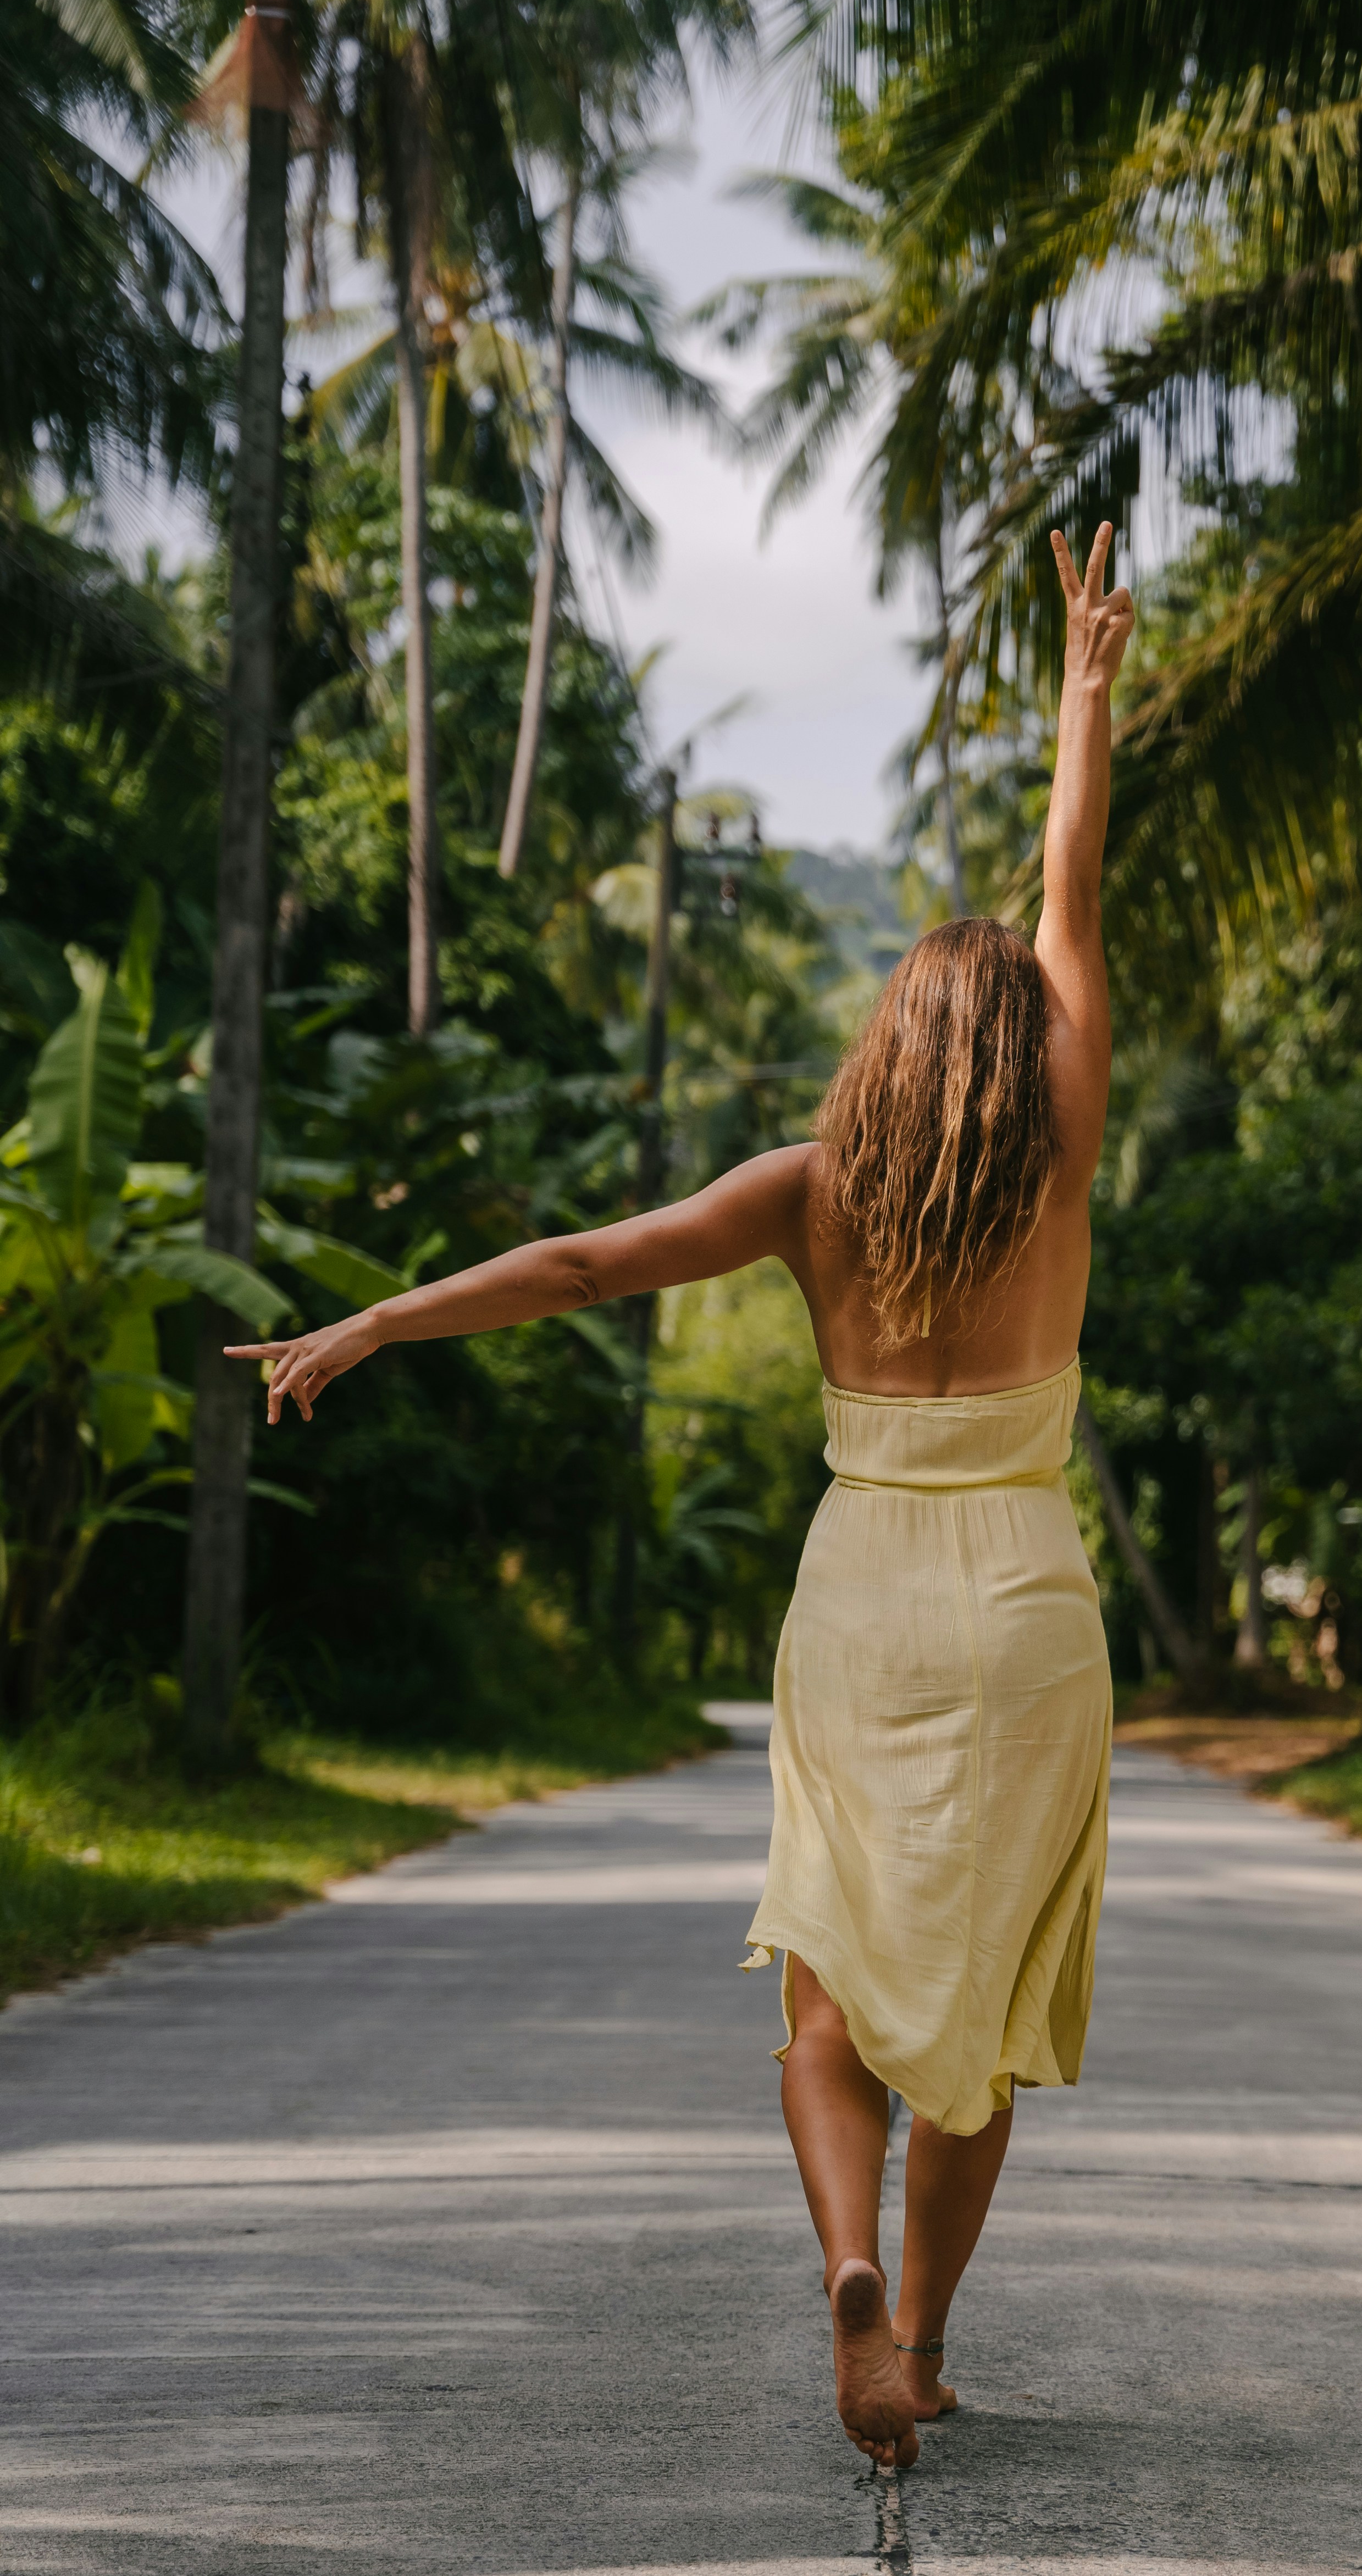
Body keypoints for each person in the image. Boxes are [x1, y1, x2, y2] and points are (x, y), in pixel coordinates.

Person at [231, 525, 1136, 2472]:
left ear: (890, 1052)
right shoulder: (1058, 1155)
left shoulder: (812, 1191)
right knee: (970, 2009)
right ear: (1028, 1062)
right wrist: (1087, 686)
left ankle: (845, 2273)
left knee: (830, 1981)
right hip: (1029, 1603)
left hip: (863, 1595)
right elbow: (1072, 892)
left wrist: (378, 1319)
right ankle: (937, 2332)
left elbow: (574, 1264)